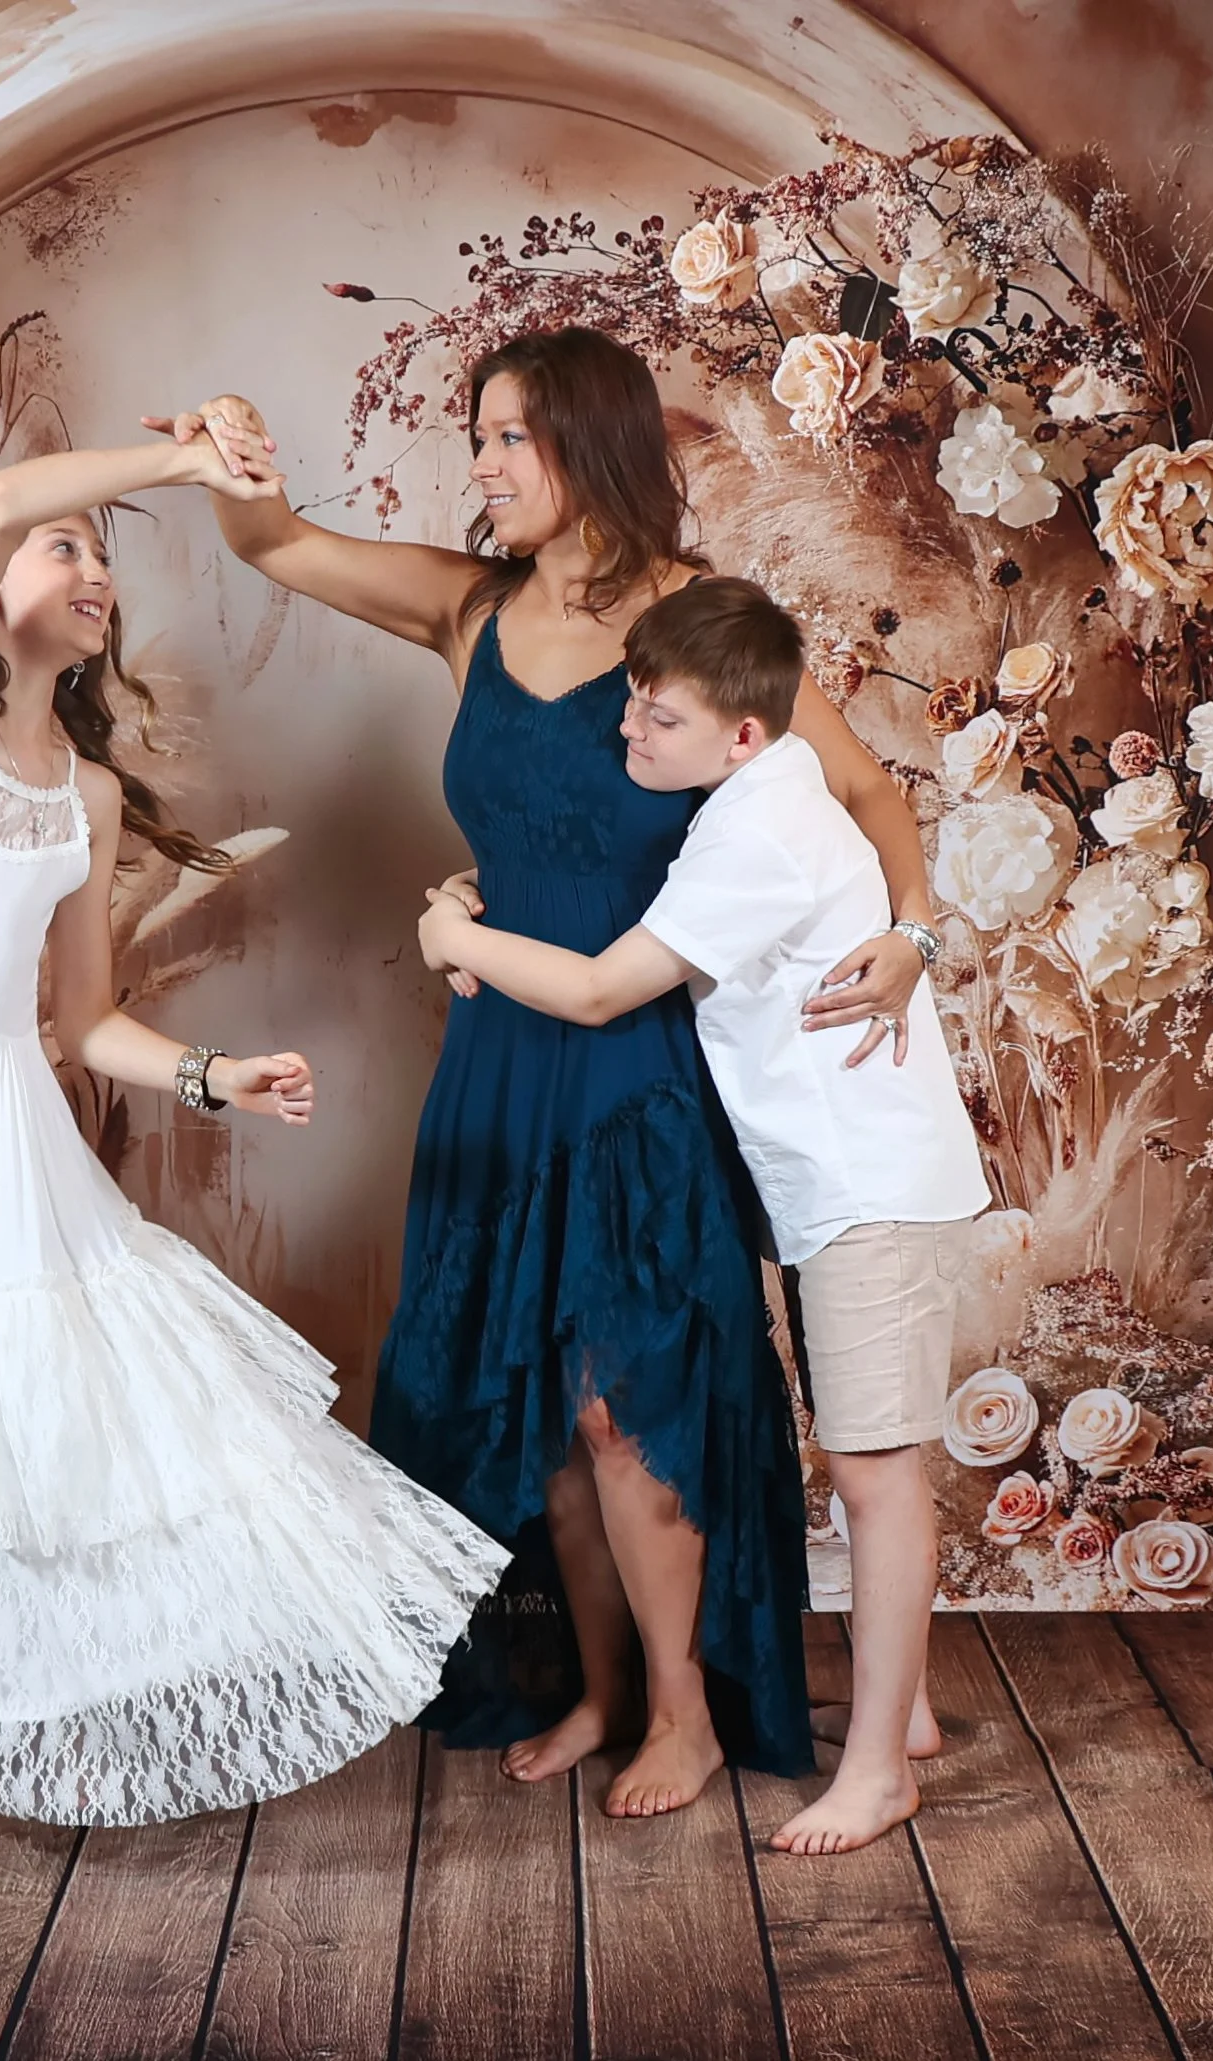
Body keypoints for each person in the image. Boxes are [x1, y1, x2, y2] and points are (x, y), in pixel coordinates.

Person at [0, 435, 509, 1867]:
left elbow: (84, 1017)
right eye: (68, 551)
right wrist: (184, 452)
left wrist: (212, 1074)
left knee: (36, 1410)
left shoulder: (84, 791)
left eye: (104, 557)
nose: (96, 577)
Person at [151, 327, 938, 1817]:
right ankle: (598, 1686)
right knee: (536, 1406)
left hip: (638, 1061)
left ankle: (688, 1716)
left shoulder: (697, 624)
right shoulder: (466, 608)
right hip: (499, 1062)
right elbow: (276, 544)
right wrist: (231, 446)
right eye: (478, 437)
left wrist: (907, 935)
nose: (482, 467)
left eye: (509, 437)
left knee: (618, 1404)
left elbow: (866, 790)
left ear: (588, 445)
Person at [419, 576, 988, 1853]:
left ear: (742, 733)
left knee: (875, 1471)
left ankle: (882, 1775)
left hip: (863, 1182)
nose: (629, 736)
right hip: (820, 1180)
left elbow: (600, 992)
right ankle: (906, 1720)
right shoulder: (752, 794)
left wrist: (444, 926)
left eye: (657, 721)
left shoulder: (756, 837)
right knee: (862, 1457)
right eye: (630, 704)